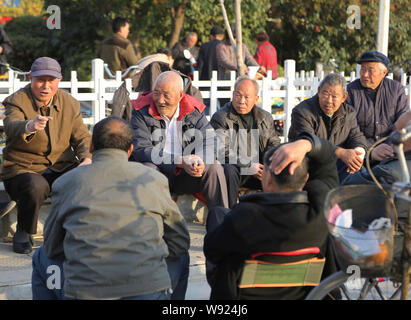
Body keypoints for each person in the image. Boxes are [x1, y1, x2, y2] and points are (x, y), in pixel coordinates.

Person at [31, 116, 190, 300]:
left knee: (41, 257)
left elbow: (52, 247)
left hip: (84, 292)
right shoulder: (154, 179)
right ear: (130, 150)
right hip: (147, 290)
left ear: (91, 147)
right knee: (182, 257)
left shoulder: (67, 182)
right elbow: (179, 241)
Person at [203, 133, 339, 300]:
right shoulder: (321, 212)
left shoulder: (243, 217)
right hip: (303, 294)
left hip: (243, 296)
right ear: (306, 178)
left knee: (218, 218)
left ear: (266, 178)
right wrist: (304, 144)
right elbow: (328, 159)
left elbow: (212, 252)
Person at [1, 57, 92, 254]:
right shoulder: (17, 100)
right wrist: (30, 126)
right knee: (36, 185)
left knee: (85, 179)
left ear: (59, 80)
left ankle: (75, 233)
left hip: (61, 165)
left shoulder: (69, 103)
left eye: (51, 80)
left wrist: (86, 158)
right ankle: (24, 232)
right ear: (30, 77)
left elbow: (82, 136)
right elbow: (11, 126)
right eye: (40, 80)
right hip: (22, 168)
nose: (46, 86)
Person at [130, 70, 229, 209]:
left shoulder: (192, 110)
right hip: (158, 172)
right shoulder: (141, 111)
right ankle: (149, 227)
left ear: (180, 95)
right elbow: (141, 149)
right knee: (148, 168)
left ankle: (221, 223)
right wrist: (180, 161)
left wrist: (199, 160)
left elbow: (210, 141)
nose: (160, 100)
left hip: (186, 174)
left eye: (166, 95)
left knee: (214, 166)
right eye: (156, 93)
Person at [210, 75, 280, 207]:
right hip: (237, 170)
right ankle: (229, 214)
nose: (241, 101)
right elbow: (221, 151)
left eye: (247, 97)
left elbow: (274, 143)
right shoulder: (221, 117)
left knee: (281, 169)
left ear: (256, 99)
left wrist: (266, 166)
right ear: (233, 94)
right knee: (228, 170)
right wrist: (248, 166)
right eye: (238, 95)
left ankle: (276, 217)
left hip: (259, 170)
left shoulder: (265, 117)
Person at [288, 73, 368, 182]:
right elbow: (307, 142)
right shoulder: (303, 111)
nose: (329, 101)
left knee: (362, 177)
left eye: (334, 96)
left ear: (344, 97)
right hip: (309, 167)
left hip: (336, 166)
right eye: (325, 93)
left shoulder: (349, 113)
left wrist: (358, 154)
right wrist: (340, 152)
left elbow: (356, 136)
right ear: (319, 91)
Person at [346, 51, 409, 163]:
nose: (365, 74)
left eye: (370, 70)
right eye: (363, 69)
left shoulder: (396, 90)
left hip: (392, 153)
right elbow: (350, 130)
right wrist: (371, 151)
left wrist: (388, 147)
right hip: (360, 155)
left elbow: (402, 125)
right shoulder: (350, 92)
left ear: (383, 72)